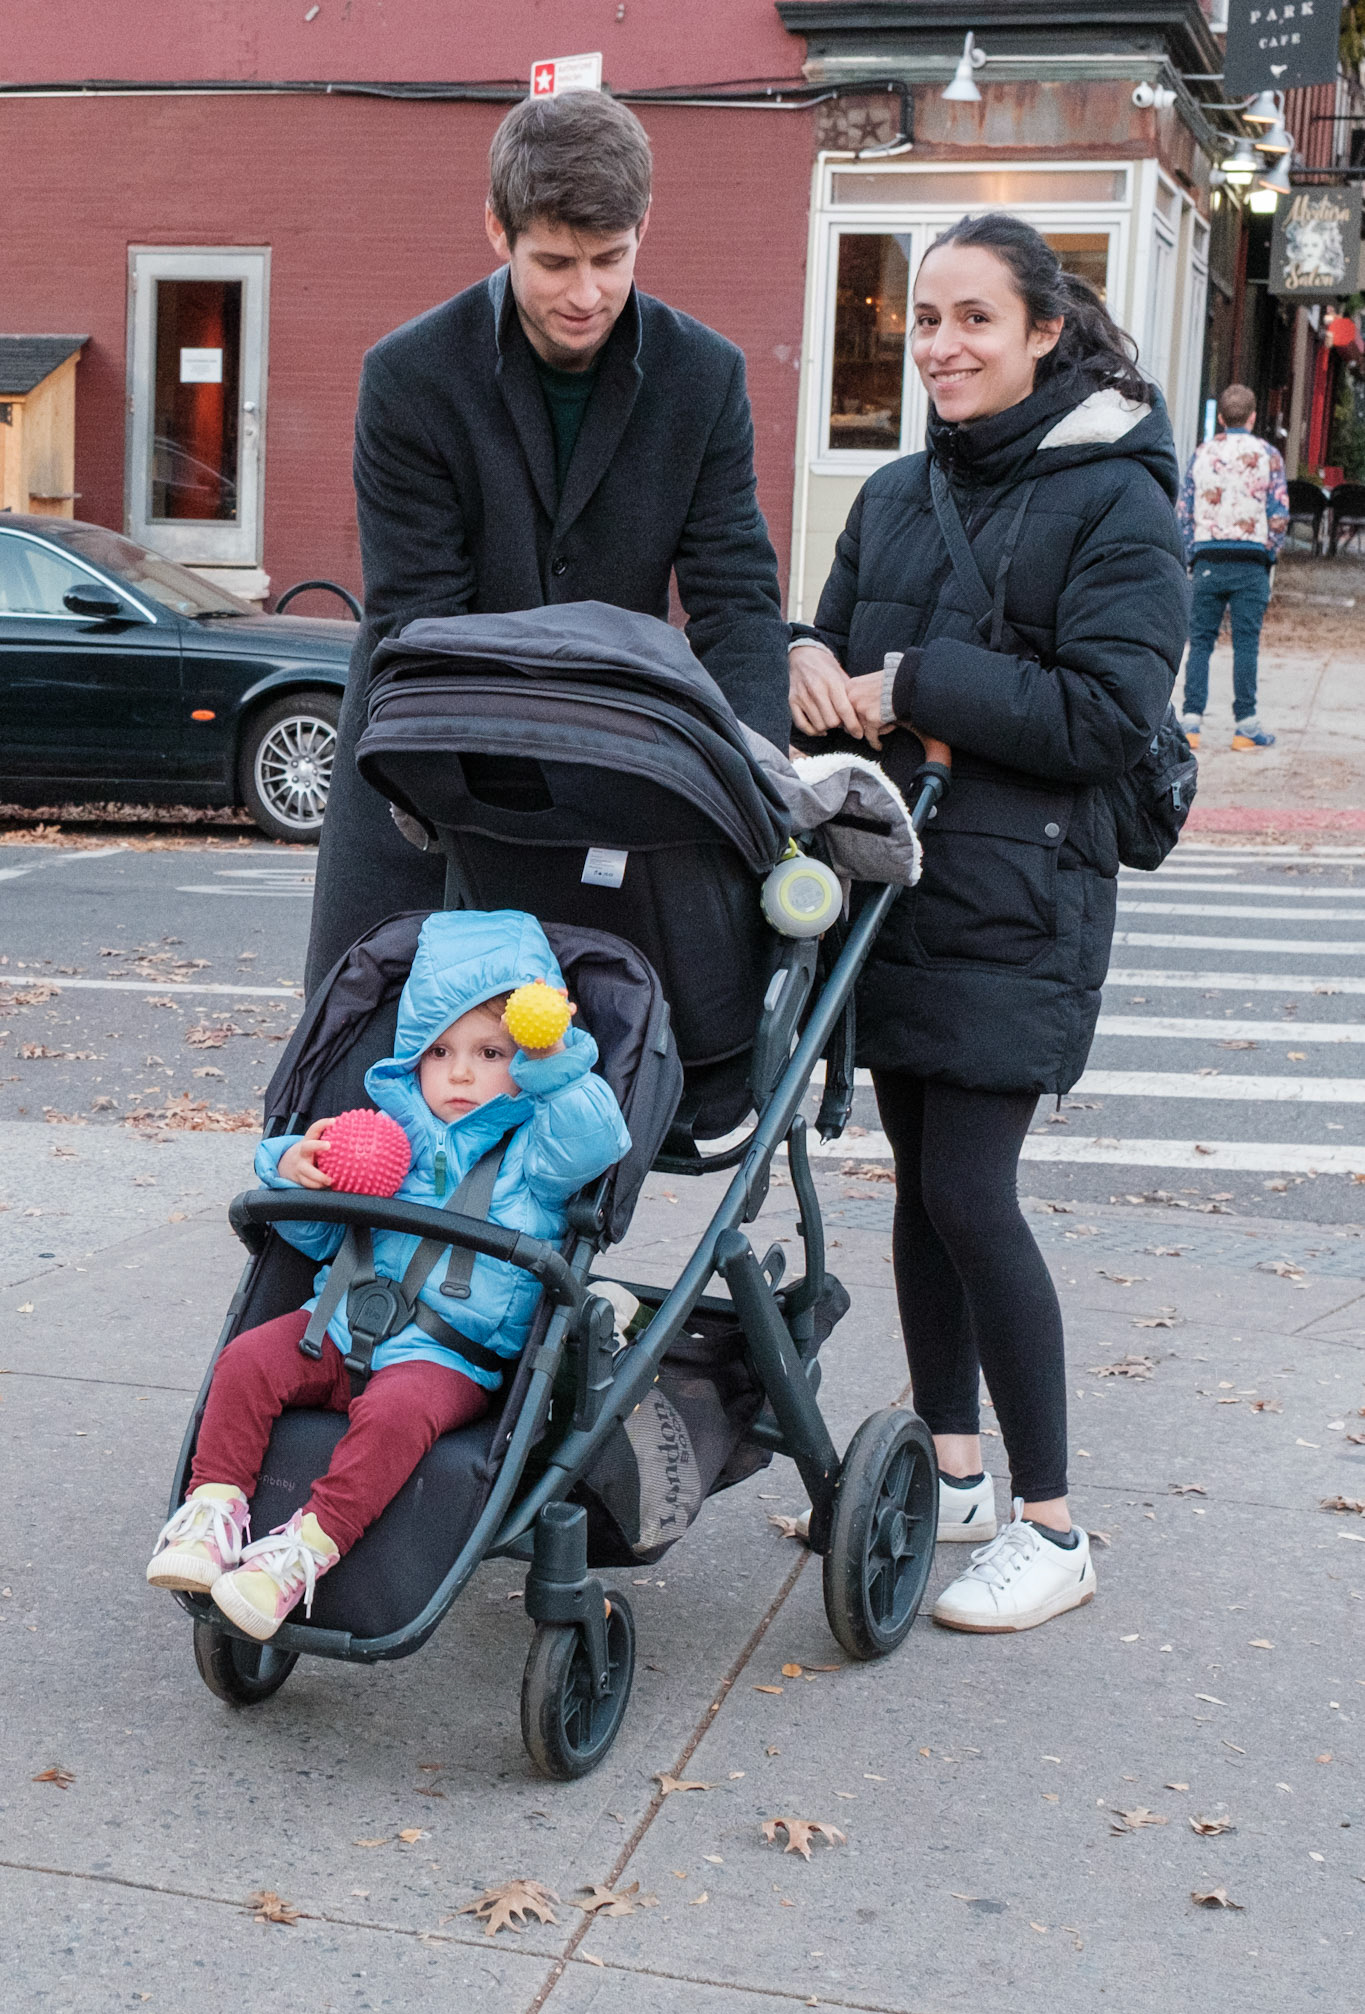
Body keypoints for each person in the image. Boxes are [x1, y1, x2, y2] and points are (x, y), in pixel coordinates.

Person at [788, 213, 1188, 1633]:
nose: (942, 347)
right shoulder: (896, 494)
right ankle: (952, 1472)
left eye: (973, 320)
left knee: (970, 1192)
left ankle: (1051, 1524)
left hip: (1024, 896)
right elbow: (821, 632)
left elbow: (1105, 715)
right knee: (918, 1192)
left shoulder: (1120, 498)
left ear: (1042, 335)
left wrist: (909, 688)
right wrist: (807, 664)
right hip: (891, 884)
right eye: (926, 323)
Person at [306, 89, 791, 990]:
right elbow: (420, 621)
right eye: (555, 262)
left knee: (611, 1067)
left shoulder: (704, 377)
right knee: (385, 1068)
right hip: (426, 767)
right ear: (498, 230)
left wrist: (756, 782)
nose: (587, 293)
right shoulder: (411, 376)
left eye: (612, 259)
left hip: (609, 777)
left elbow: (736, 598)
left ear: (645, 226)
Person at [146, 909, 629, 1640]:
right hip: (338, 1325)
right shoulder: (384, 1133)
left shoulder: (537, 1149)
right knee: (246, 1360)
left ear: (524, 1058)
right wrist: (293, 1172)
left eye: (491, 1051)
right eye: (439, 1052)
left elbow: (597, 1140)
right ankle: (214, 1510)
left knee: (393, 1415)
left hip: (447, 1355)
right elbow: (318, 1241)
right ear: (413, 1059)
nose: (461, 1071)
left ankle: (305, 1549)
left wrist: (553, 1056)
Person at [1176, 382, 1288, 751]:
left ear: (1221, 418)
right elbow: (1278, 514)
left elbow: (1184, 511)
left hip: (1208, 557)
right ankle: (1245, 725)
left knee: (1201, 642)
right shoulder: (1269, 455)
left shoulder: (1202, 454)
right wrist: (1268, 552)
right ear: (1253, 418)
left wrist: (1191, 553)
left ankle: (1190, 723)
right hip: (1251, 560)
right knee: (1246, 644)